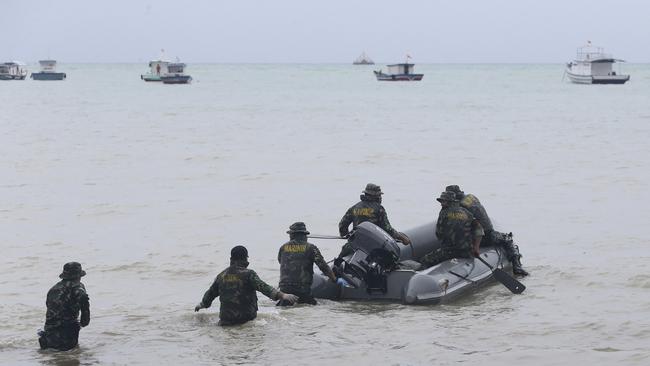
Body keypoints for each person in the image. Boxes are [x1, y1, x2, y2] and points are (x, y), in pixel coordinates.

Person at [194, 245, 298, 326]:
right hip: (246, 321)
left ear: (231, 258)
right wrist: (283, 295)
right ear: (245, 258)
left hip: (226, 321)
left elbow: (210, 294)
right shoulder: (248, 274)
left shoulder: (221, 276)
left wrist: (202, 304)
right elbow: (264, 287)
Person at [445, 185, 529, 276]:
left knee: (506, 238)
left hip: (479, 237)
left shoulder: (459, 207)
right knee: (507, 239)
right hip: (489, 233)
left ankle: (516, 267)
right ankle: (517, 266)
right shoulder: (471, 197)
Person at [335, 183, 411, 264]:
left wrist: (346, 235)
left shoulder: (355, 207)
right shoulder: (379, 209)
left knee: (340, 259)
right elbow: (388, 229)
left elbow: (342, 226)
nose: (380, 198)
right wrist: (402, 238)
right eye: (379, 195)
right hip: (373, 247)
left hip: (355, 244)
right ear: (375, 196)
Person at [277, 222, 338, 306]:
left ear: (292, 235)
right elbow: (323, 267)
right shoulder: (311, 248)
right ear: (304, 235)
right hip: (302, 289)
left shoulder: (283, 247)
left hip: (284, 289)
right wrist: (334, 279)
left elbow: (280, 261)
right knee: (316, 306)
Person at [419, 191, 484, 268]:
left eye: (443, 201)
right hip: (467, 251)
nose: (441, 204)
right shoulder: (466, 212)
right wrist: (476, 248)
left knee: (425, 260)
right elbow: (479, 229)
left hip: (450, 251)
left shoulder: (444, 213)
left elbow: (439, 233)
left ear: (449, 201)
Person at [38, 262, 90, 351]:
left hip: (48, 335)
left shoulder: (53, 289)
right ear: (79, 276)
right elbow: (85, 320)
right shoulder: (79, 290)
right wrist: (80, 325)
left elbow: (49, 307)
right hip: (67, 337)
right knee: (69, 359)